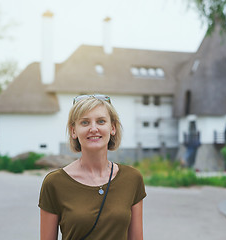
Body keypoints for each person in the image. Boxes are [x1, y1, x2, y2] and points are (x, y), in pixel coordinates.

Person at [38, 94, 146, 240]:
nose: (93, 128)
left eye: (101, 121)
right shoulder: (54, 183)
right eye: (85, 122)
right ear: (73, 131)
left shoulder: (132, 179)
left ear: (112, 128)